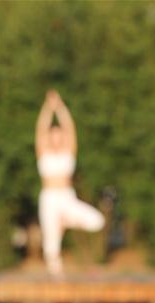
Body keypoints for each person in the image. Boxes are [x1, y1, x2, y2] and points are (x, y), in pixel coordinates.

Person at [35, 90, 104, 276]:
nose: (56, 138)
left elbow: (70, 128)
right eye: (53, 135)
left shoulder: (68, 152)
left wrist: (60, 107)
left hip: (66, 197)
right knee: (51, 242)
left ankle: (66, 220)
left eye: (59, 135)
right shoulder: (43, 152)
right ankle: (55, 274)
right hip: (49, 197)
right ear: (50, 138)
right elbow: (41, 129)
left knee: (97, 221)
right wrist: (48, 108)